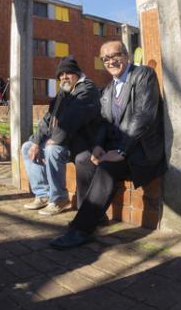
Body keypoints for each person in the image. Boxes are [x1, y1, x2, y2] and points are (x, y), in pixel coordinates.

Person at [50, 41, 166, 249]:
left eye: (116, 55)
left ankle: (81, 229)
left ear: (127, 55)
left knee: (107, 167)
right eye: (105, 59)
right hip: (119, 148)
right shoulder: (107, 89)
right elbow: (103, 124)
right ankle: (96, 216)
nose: (111, 61)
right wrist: (97, 146)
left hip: (141, 150)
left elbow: (143, 116)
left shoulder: (144, 75)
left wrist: (122, 151)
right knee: (84, 159)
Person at [22, 56, 101, 216]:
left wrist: (55, 140)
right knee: (27, 147)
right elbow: (47, 119)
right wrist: (37, 142)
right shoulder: (63, 92)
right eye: (60, 74)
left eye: (68, 73)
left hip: (81, 143)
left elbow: (73, 118)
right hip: (64, 140)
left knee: (52, 149)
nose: (64, 77)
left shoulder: (87, 89)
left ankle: (59, 198)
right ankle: (43, 194)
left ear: (77, 74)